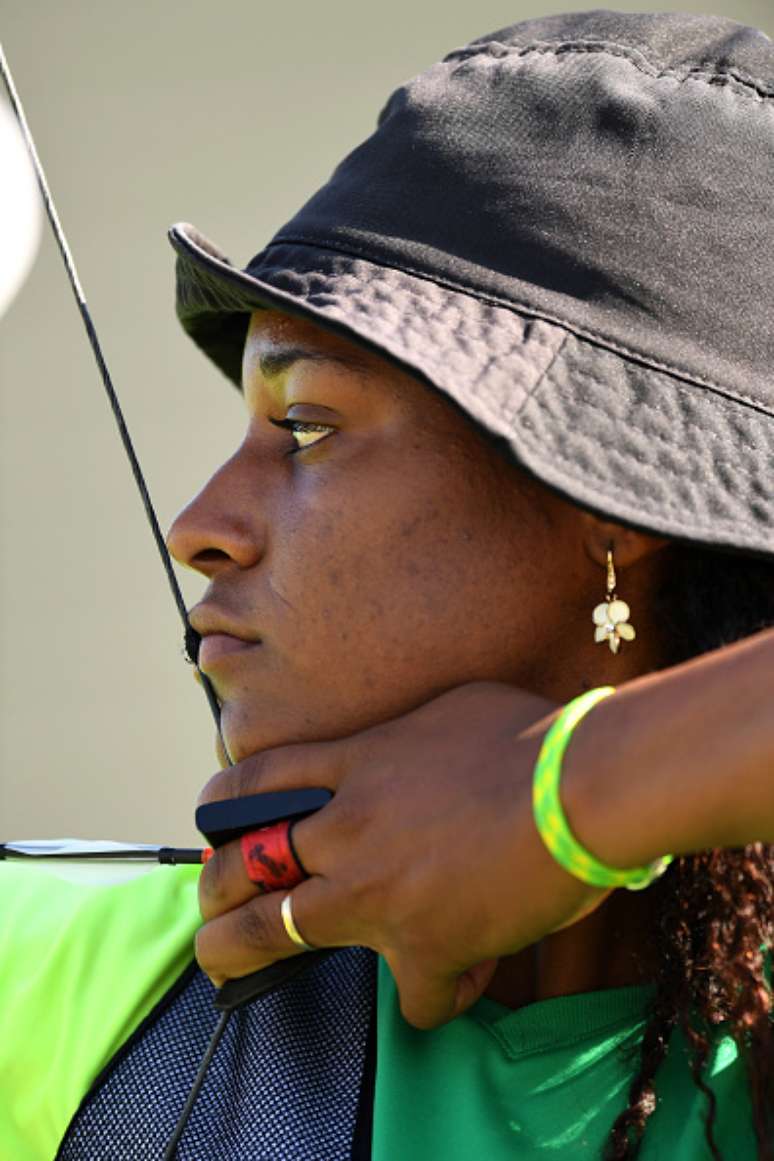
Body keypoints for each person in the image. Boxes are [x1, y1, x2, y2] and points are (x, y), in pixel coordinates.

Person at [1, 9, 772, 1160]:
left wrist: (566, 801)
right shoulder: (59, 973)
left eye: (305, 427)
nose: (199, 529)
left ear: (613, 499)